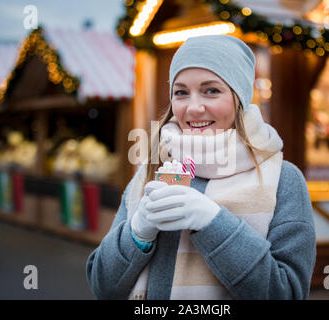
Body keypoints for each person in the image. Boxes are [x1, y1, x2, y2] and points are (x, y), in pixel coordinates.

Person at [86, 35, 316, 299]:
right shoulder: (150, 171)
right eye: (181, 92)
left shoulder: (283, 179)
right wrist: (137, 233)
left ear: (238, 98)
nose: (194, 108)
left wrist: (213, 222)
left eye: (211, 90)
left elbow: (286, 293)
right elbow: (102, 286)